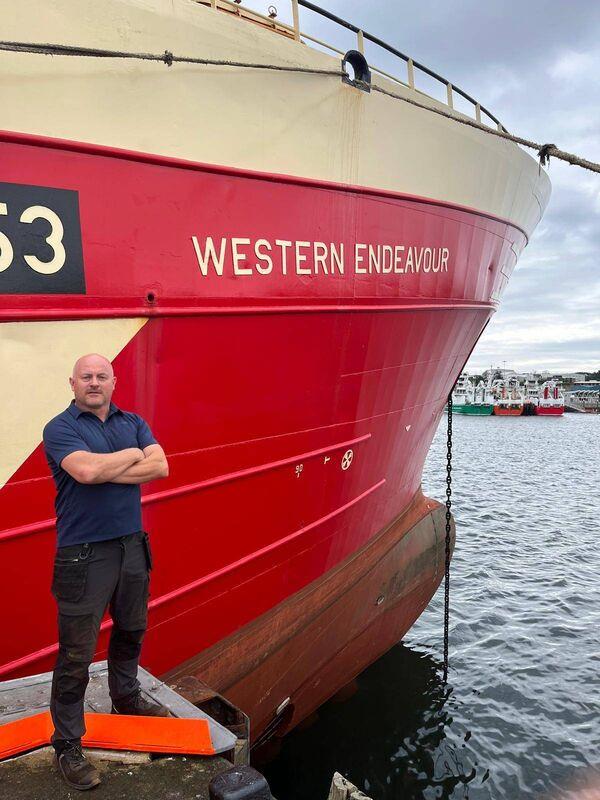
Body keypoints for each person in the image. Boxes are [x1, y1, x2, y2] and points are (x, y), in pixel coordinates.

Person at [42, 353, 169, 791]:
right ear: (72, 383)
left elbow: (162, 466)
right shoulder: (61, 428)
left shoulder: (131, 419)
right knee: (76, 652)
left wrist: (107, 467)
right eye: (86, 377)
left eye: (101, 376)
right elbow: (86, 470)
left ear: (113, 382)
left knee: (132, 628)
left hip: (131, 546)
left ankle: (125, 696)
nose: (94, 383)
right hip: (83, 554)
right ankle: (68, 744)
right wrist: (132, 456)